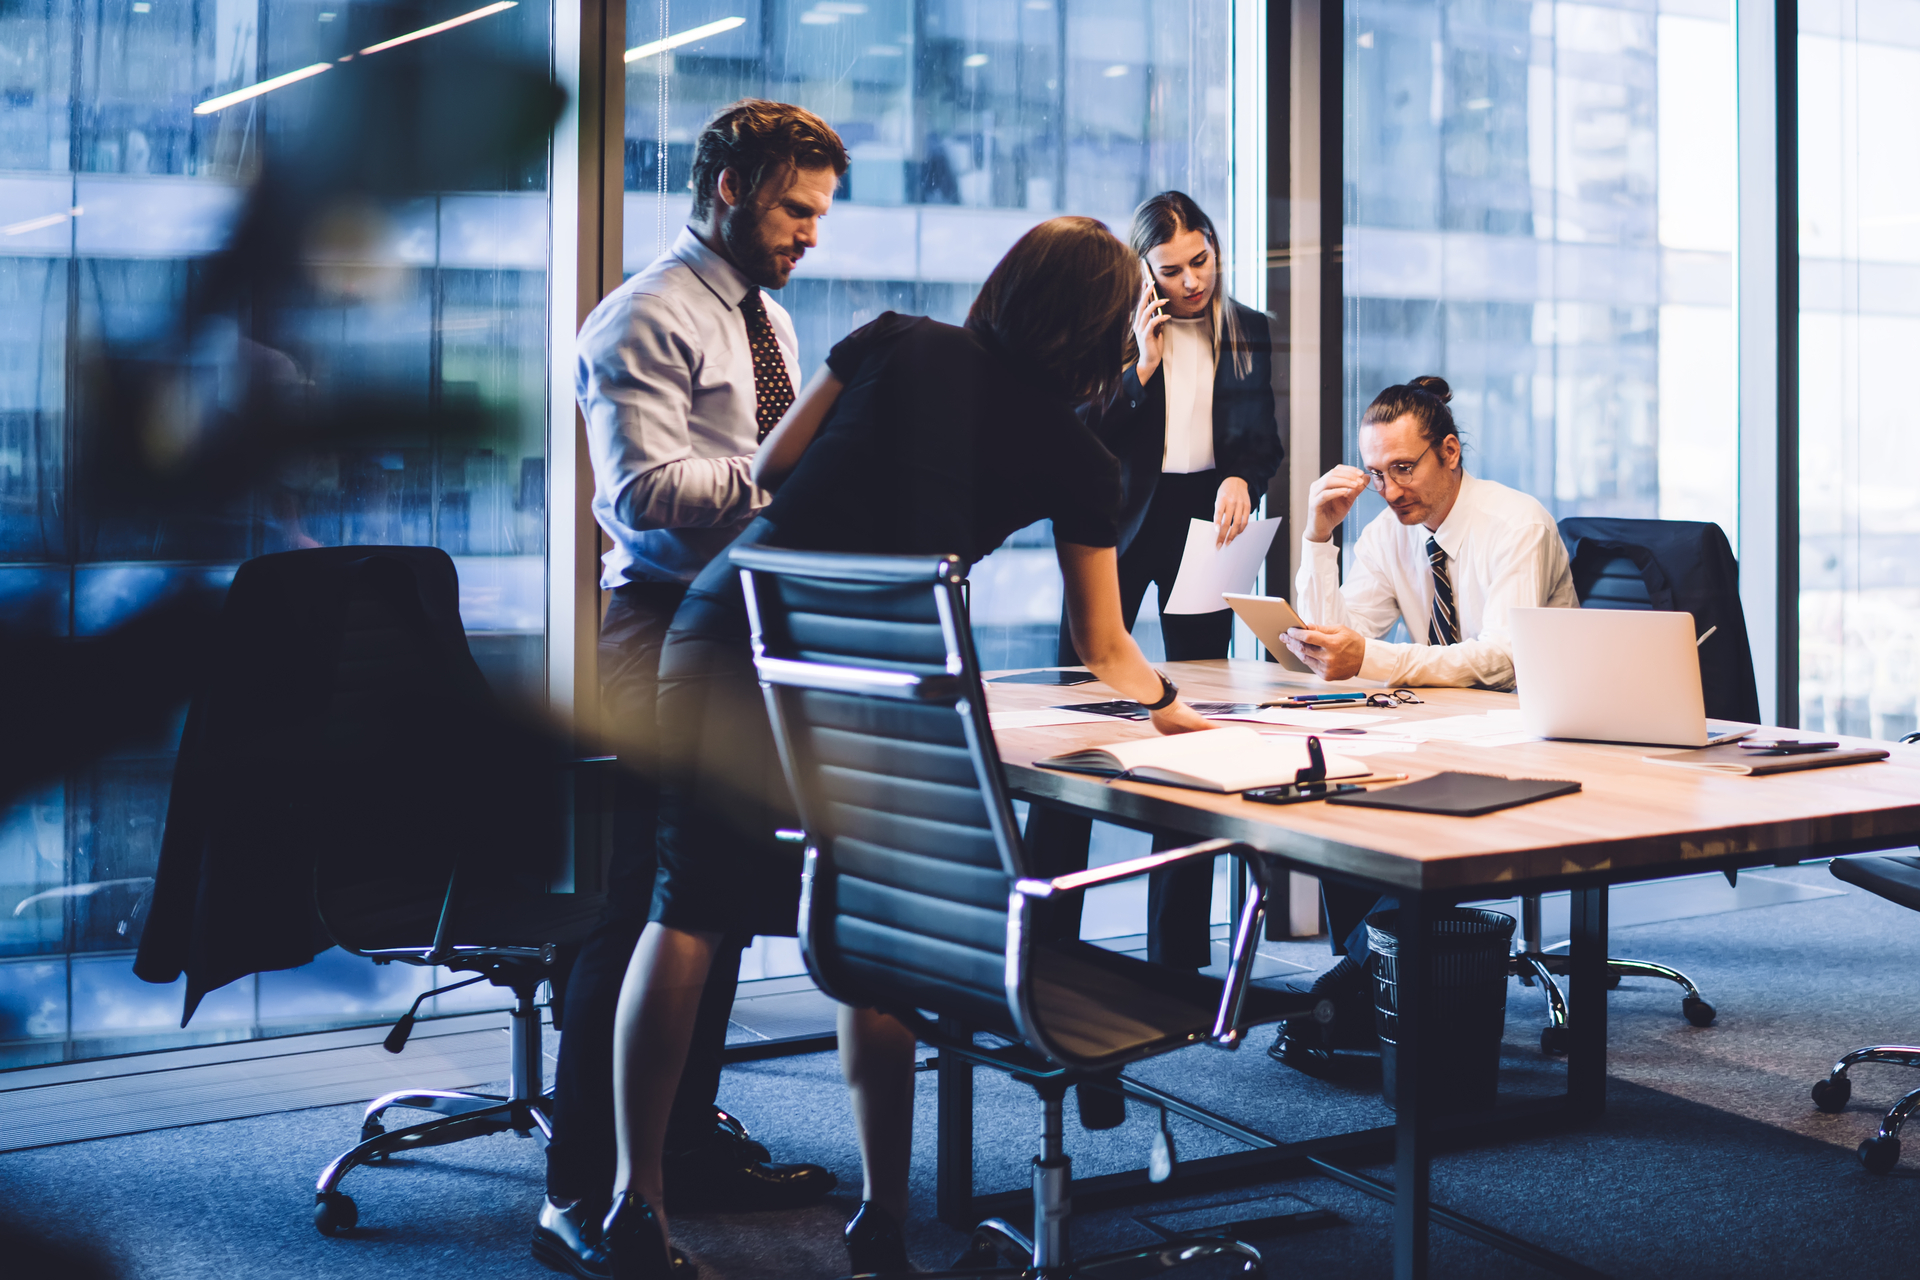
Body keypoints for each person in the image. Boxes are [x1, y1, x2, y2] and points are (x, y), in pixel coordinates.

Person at [599, 217, 1215, 1279]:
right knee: (872, 927)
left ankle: (630, 1204)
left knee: (686, 904)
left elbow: (776, 466)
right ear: (1107, 326)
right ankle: (881, 1219)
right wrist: (1172, 704)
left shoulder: (898, 338)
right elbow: (1103, 644)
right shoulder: (1081, 452)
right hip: (887, 661)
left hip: (735, 618)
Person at [535, 99, 846, 1279]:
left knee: (712, 899)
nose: (810, 234)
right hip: (659, 632)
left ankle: (680, 1144)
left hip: (748, 630)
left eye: (819, 212)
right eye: (794, 208)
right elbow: (642, 497)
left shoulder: (767, 313)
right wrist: (785, 475)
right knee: (642, 913)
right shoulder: (641, 318)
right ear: (730, 187)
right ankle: (578, 1189)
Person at [1268, 374, 1577, 1074]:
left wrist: (1368, 656)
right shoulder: (1387, 533)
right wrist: (1319, 537)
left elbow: (1503, 660)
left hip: (1536, 734)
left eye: (1403, 468)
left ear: (1450, 453)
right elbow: (1332, 641)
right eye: (1376, 473)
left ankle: (1345, 991)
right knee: (1343, 803)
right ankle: (1374, 998)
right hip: (1451, 727)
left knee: (1408, 829)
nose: (1390, 488)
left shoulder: (1515, 525)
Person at [1030, 190, 1281, 972]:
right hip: (1114, 521)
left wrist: (1244, 478)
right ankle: (1046, 934)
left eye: (1200, 262)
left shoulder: (1249, 330)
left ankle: (1178, 950)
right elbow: (1073, 435)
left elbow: (1262, 441)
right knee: (1075, 715)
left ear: (1214, 246)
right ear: (1144, 268)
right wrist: (1137, 366)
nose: (1191, 282)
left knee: (1197, 715)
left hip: (1205, 525)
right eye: (1171, 270)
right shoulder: (1112, 326)